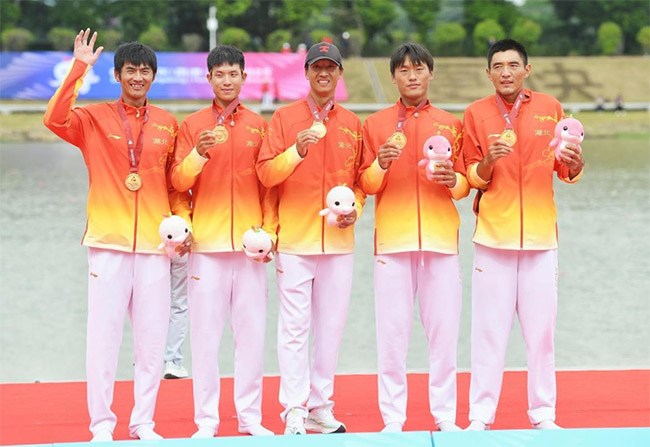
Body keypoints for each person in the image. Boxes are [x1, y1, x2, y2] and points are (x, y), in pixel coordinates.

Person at [43, 29, 191, 442]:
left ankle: (143, 423)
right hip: (108, 244)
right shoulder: (93, 118)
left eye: (145, 71)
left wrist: (183, 227)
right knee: (103, 341)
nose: (137, 77)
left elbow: (177, 185)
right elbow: (54, 119)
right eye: (130, 70)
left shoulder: (168, 124)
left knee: (151, 343)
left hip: (155, 249)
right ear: (117, 74)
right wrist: (79, 67)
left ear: (153, 76)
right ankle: (102, 425)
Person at [462, 39, 584, 431]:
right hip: (493, 240)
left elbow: (565, 169)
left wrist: (576, 163)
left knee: (541, 334)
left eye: (513, 65)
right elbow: (471, 175)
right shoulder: (476, 113)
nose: (506, 72)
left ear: (526, 69)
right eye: (498, 66)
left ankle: (543, 414)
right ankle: (480, 416)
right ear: (488, 73)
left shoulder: (550, 108)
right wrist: (488, 161)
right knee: (488, 334)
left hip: (540, 239)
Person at [358, 43, 469, 433]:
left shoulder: (451, 124)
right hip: (393, 244)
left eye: (418, 69)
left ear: (430, 74)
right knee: (392, 336)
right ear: (393, 78)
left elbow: (464, 187)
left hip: (441, 244)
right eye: (403, 70)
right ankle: (393, 418)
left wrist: (452, 180)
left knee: (444, 336)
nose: (411, 76)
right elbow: (366, 185)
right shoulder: (375, 125)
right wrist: (380, 164)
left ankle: (445, 416)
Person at [256, 42, 364, 435]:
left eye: (330, 67)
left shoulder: (353, 124)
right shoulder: (284, 118)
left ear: (339, 73)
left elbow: (360, 183)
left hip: (338, 243)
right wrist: (296, 151)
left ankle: (321, 406)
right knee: (294, 328)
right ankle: (295, 409)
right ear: (306, 73)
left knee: (330, 329)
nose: (323, 73)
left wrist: (355, 211)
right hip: (296, 241)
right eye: (317, 67)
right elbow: (266, 173)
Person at [170, 45, 276, 438]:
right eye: (220, 74)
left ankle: (250, 418)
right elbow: (178, 183)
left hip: (250, 251)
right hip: (207, 250)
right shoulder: (191, 125)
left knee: (251, 337)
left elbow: (269, 187)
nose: (227, 80)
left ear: (244, 78)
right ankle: (207, 421)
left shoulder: (260, 126)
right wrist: (198, 155)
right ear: (209, 78)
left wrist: (269, 236)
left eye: (234, 74)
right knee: (205, 338)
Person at [162, 253, 189, 379]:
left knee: (152, 305)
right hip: (180, 248)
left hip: (153, 248)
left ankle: (145, 359)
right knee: (179, 304)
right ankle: (173, 362)